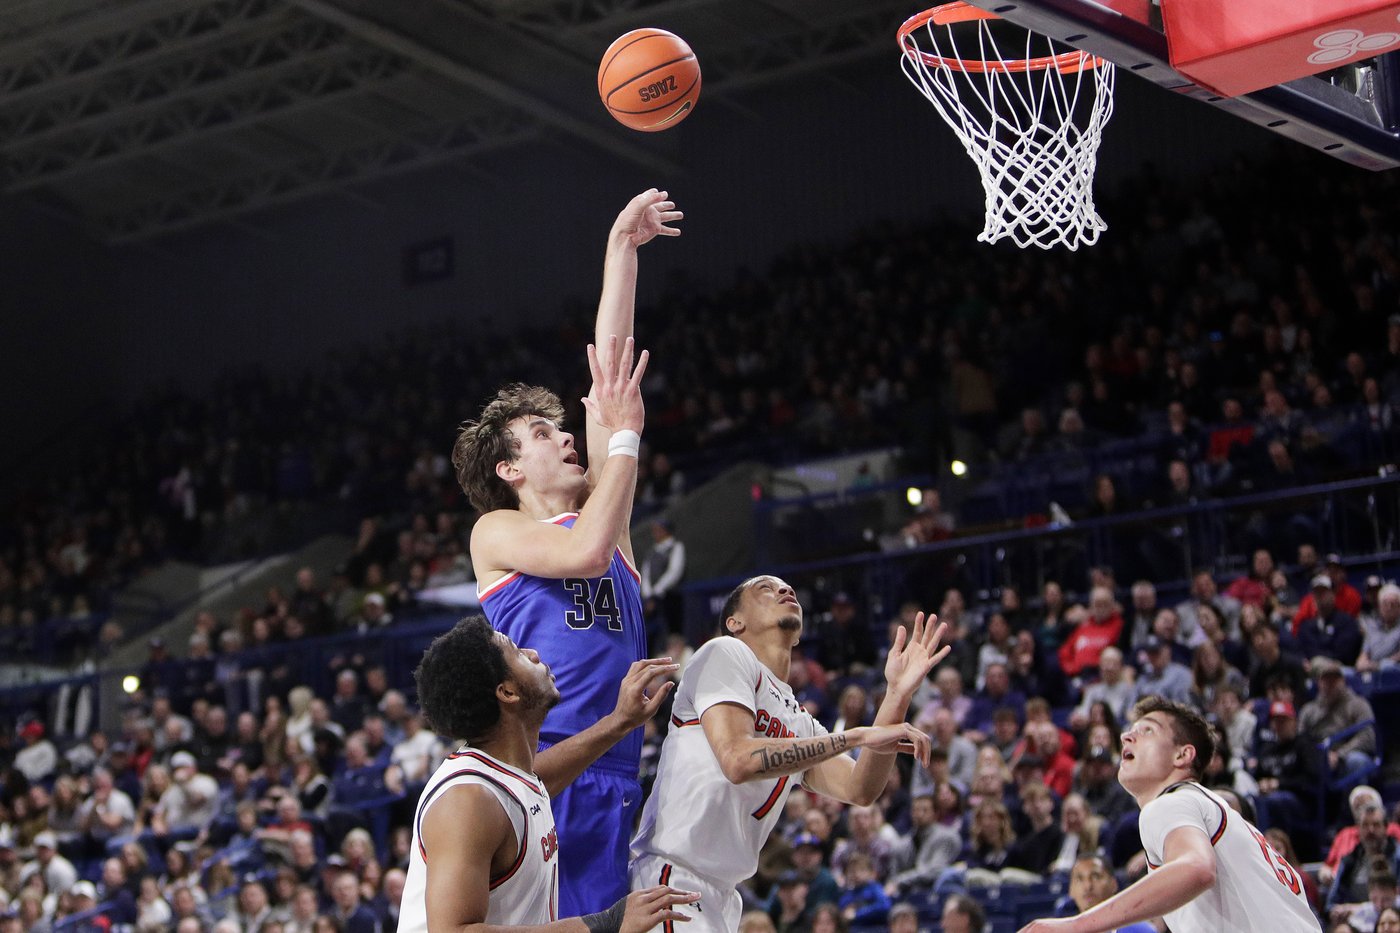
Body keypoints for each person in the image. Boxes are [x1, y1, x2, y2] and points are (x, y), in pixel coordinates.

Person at [453, 189, 682, 916]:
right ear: (509, 470)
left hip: (615, 765)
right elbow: (583, 552)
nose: (565, 435)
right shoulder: (497, 533)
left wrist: (621, 248)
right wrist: (625, 439)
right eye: (543, 434)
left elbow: (609, 385)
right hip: (543, 765)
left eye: (563, 426)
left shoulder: (604, 522)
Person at [630, 575, 946, 933]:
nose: (784, 590)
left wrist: (896, 696)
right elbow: (738, 759)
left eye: (787, 588)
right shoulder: (724, 653)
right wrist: (856, 735)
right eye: (765, 588)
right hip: (673, 877)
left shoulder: (798, 719)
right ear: (735, 622)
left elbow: (862, 788)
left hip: (721, 892)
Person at [396, 616, 697, 932]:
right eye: (517, 651)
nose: (535, 654)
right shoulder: (467, 800)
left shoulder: (506, 780)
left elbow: (537, 782)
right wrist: (603, 925)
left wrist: (620, 721)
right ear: (508, 692)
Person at [1018, 697, 1321, 933]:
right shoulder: (1223, 821)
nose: (1126, 736)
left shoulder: (1172, 802)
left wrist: (1077, 925)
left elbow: (1196, 869)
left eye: (1146, 730)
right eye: (1130, 731)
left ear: (1182, 755)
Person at [1065, 855, 1156, 933]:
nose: (1088, 886)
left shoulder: (1138, 930)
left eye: (1096, 877)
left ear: (1113, 884)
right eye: (1079, 879)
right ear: (1071, 890)